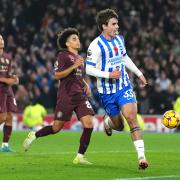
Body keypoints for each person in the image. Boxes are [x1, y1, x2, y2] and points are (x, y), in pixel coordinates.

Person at [86, 9, 148, 169]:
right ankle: (108, 122)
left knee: (132, 118)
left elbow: (124, 57)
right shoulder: (96, 45)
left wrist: (139, 73)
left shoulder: (119, 39)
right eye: (113, 24)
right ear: (104, 26)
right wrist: (108, 74)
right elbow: (88, 69)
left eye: (117, 23)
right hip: (107, 92)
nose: (117, 27)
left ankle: (142, 158)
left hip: (123, 86)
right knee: (119, 125)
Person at [23, 28, 94, 165]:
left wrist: (85, 83)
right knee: (56, 128)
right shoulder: (63, 56)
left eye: (78, 38)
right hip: (66, 96)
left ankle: (80, 156)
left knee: (89, 124)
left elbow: (77, 76)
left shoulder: (79, 58)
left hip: (79, 95)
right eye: (74, 39)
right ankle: (34, 135)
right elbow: (57, 75)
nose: (77, 40)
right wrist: (74, 66)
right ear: (67, 43)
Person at [0, 34, 19, 152]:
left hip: (8, 89)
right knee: (2, 117)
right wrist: (7, 80)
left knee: (10, 116)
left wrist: (13, 77)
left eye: (2, 38)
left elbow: (8, 73)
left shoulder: (7, 57)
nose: (1, 41)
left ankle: (5, 145)